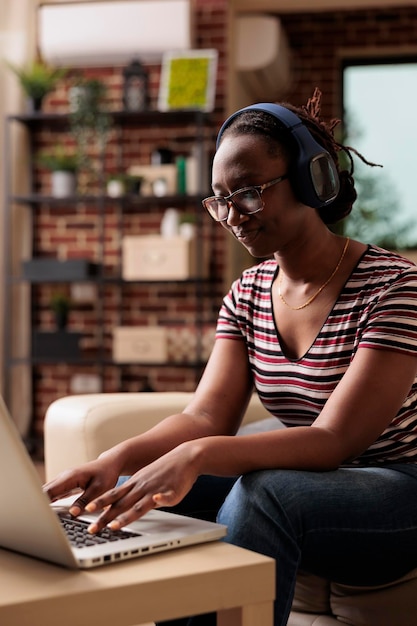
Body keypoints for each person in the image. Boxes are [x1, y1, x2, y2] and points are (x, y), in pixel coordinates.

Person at [44, 88, 417, 626]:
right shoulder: (248, 292)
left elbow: (336, 441)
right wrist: (118, 459)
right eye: (220, 200)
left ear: (314, 181)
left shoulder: (395, 287)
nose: (232, 216)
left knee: (266, 495)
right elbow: (204, 417)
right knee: (142, 487)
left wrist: (198, 457)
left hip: (397, 488)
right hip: (317, 479)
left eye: (249, 193)